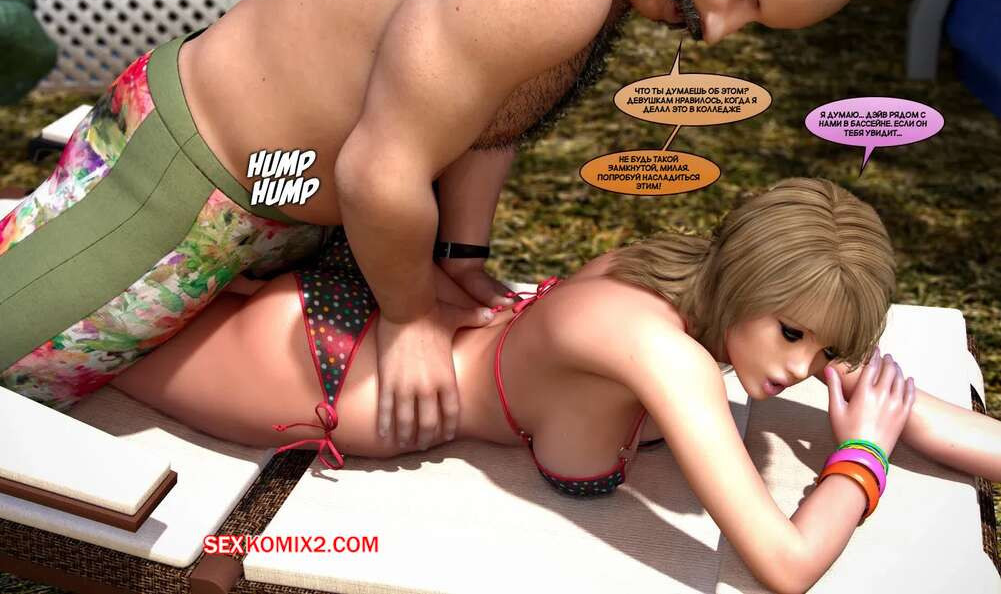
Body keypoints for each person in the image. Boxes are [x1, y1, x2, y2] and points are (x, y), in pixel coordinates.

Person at [0, 0, 883, 447]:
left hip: (284, 195)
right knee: (19, 375)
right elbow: (380, 169)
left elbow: (491, 110)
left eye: (753, 20)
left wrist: (457, 255)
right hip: (193, 179)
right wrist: (411, 317)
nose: (718, 29)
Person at [109, 178, 1001, 594]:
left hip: (370, 329)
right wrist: (861, 456)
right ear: (753, 280)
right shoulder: (668, 356)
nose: (800, 369)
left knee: (123, 315)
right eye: (794, 335)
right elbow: (786, 565)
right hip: (319, 367)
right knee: (76, 351)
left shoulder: (714, 284)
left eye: (823, 346)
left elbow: (893, 396)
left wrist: (873, 398)